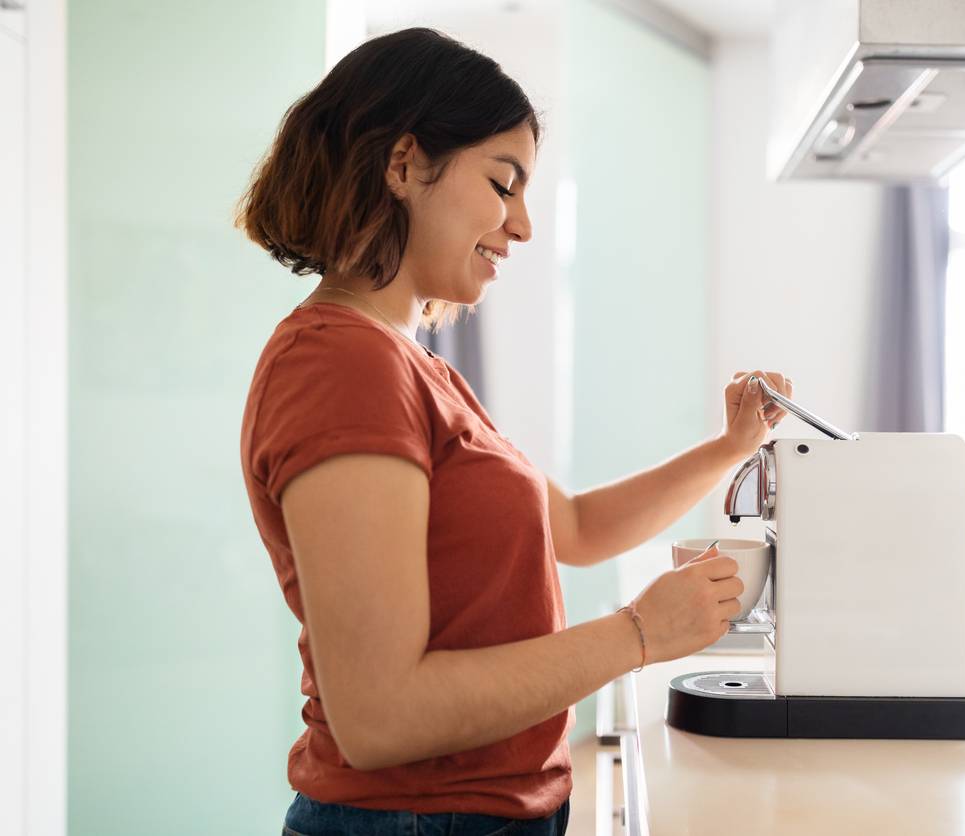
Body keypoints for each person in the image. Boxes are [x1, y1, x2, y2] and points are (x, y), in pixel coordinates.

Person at [236, 27, 793, 836]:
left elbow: (571, 527)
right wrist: (639, 633)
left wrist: (730, 448)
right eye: (504, 183)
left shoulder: (410, 366)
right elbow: (380, 717)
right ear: (401, 165)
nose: (523, 225)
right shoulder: (344, 367)